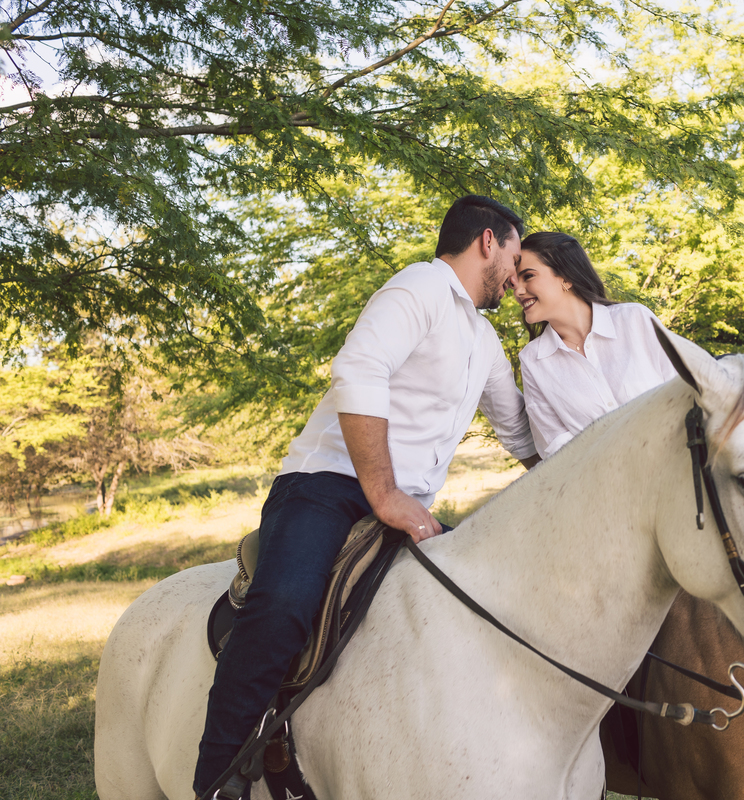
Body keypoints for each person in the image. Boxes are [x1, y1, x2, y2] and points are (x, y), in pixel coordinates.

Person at [194, 195, 540, 798]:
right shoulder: (419, 288)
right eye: (515, 255)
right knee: (283, 608)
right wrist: (384, 494)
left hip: (405, 509)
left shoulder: (483, 340)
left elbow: (515, 430)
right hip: (325, 485)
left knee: (478, 608)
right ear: (490, 241)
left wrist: (573, 473)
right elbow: (360, 370)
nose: (516, 276)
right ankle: (217, 779)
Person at [514, 232, 677, 459]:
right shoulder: (533, 361)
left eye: (528, 276)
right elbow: (555, 447)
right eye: (514, 282)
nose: (518, 291)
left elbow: (686, 393)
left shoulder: (635, 320)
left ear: (566, 278)